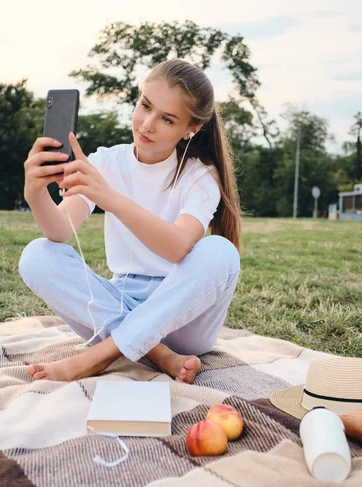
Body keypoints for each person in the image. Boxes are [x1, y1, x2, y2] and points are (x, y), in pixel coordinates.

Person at [19, 58, 241, 383]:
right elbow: (59, 230)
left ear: (191, 129)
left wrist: (110, 198)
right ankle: (158, 354)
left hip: (182, 318)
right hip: (117, 305)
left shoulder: (200, 176)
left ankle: (99, 357)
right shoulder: (106, 162)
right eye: (145, 105)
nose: (147, 123)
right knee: (37, 255)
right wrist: (34, 192)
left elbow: (178, 247)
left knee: (221, 252)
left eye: (166, 118)